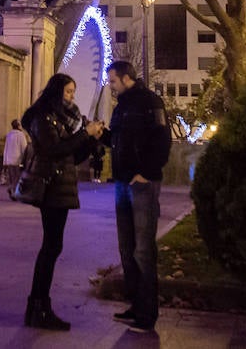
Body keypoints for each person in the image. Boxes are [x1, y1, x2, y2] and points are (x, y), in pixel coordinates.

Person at [21, 73, 105, 331]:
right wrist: (83, 135)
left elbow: (70, 155)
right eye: (68, 92)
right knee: (50, 247)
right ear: (56, 91)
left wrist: (91, 139)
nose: (71, 97)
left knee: (53, 246)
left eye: (73, 92)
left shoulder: (60, 118)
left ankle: (38, 307)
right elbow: (52, 150)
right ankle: (38, 307)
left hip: (61, 187)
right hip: (50, 188)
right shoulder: (42, 116)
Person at [102, 60, 171, 334]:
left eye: (113, 81)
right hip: (122, 183)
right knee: (127, 249)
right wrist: (102, 136)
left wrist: (148, 171)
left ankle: (147, 313)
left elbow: (162, 139)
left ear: (127, 78)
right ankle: (135, 306)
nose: (111, 86)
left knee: (143, 250)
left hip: (142, 184)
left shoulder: (149, 102)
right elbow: (118, 141)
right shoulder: (121, 108)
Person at [2, 119, 27, 195]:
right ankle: (14, 191)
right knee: (18, 177)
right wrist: (25, 159)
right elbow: (24, 148)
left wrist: (5, 161)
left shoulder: (9, 135)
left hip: (9, 160)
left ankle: (11, 188)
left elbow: (6, 148)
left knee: (12, 177)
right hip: (18, 160)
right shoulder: (21, 135)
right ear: (18, 126)